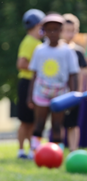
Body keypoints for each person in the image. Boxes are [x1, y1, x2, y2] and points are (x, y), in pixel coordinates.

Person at [28, 13, 79, 155]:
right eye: (49, 30)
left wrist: (73, 95)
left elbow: (72, 74)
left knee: (57, 124)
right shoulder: (39, 50)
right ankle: (34, 151)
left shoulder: (67, 51)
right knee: (39, 122)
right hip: (41, 91)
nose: (52, 33)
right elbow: (34, 75)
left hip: (60, 92)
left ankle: (57, 153)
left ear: (61, 30)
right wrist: (30, 96)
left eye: (56, 29)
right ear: (44, 31)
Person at [16, 9, 45, 159]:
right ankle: (21, 150)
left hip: (33, 83)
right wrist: (38, 68)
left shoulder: (36, 42)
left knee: (32, 120)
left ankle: (31, 150)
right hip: (27, 83)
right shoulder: (30, 42)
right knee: (25, 120)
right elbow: (21, 63)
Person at [61, 13, 87, 151]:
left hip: (73, 93)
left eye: (73, 31)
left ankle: (73, 150)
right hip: (58, 91)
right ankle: (56, 149)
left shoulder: (79, 51)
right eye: (67, 30)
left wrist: (79, 92)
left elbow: (83, 74)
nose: (69, 34)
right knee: (58, 122)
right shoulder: (57, 50)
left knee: (73, 124)